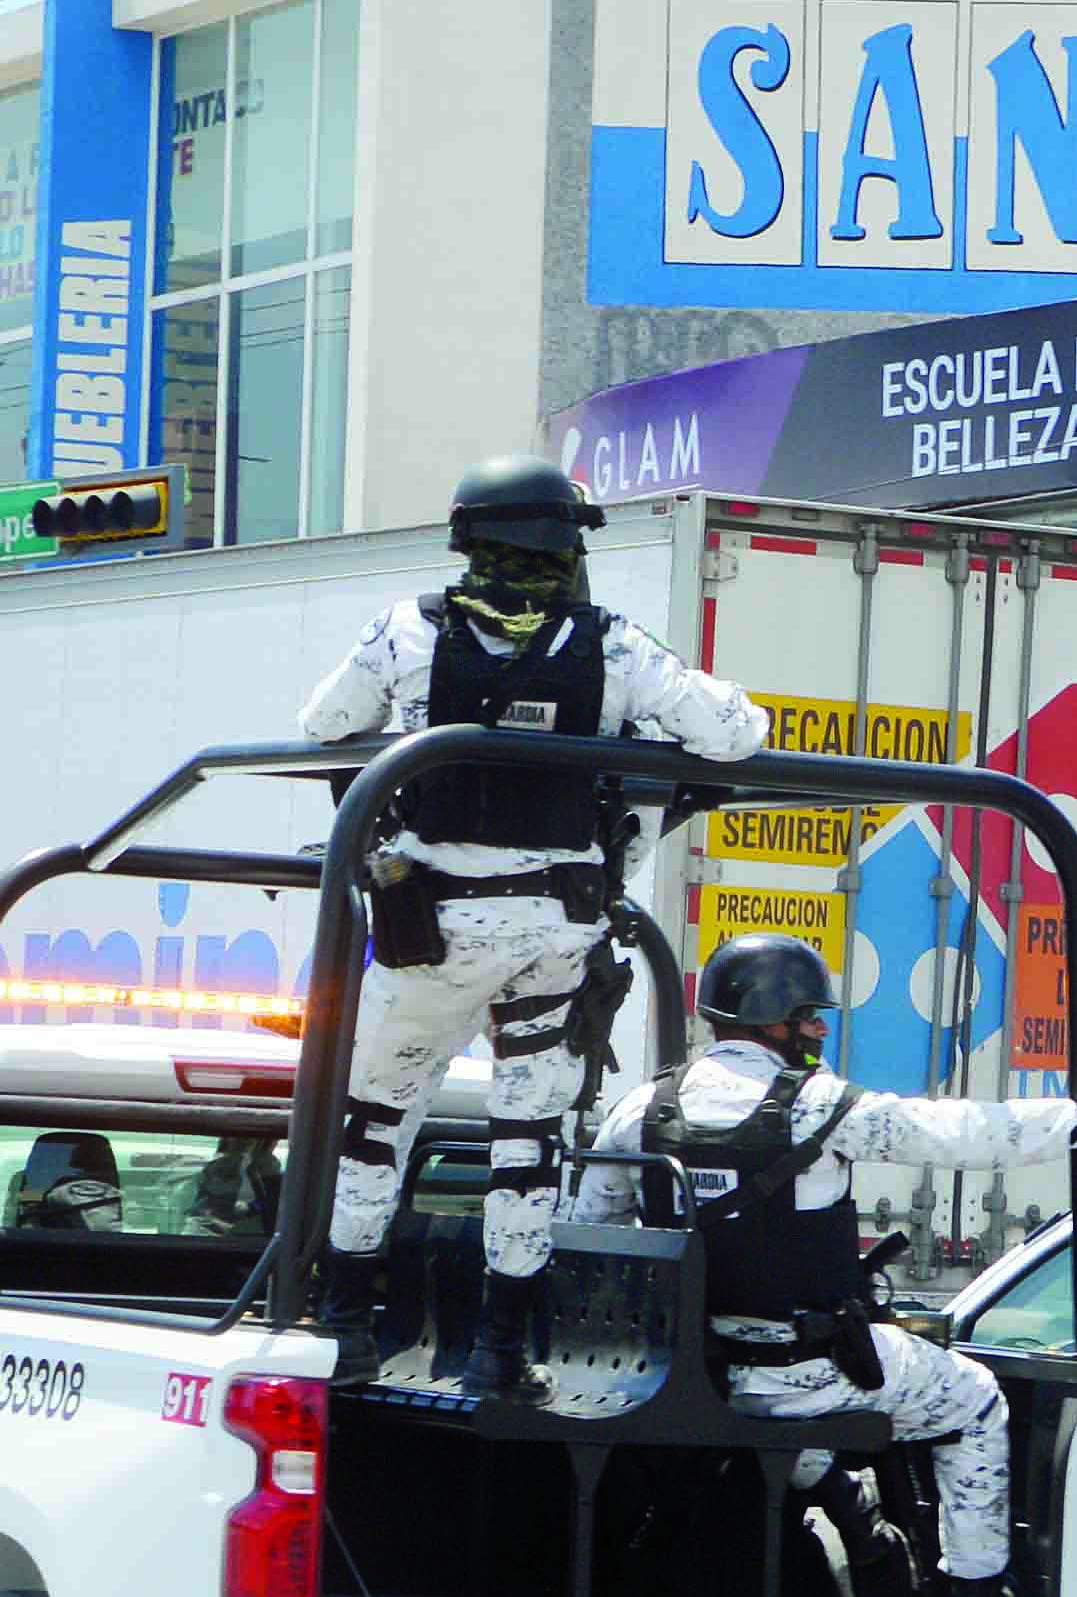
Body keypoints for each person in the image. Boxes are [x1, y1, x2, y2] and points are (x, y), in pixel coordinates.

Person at [294, 455, 772, 1395]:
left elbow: (322, 726)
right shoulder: (617, 647)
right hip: (558, 929)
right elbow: (736, 734)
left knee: (377, 1126)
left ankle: (346, 1330)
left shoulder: (404, 633)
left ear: (467, 539)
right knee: (528, 1143)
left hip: (429, 933)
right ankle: (503, 1353)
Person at [574, 934, 1077, 1597]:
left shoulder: (637, 1111)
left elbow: (591, 1233)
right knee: (973, 1400)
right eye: (809, 1015)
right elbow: (948, 1134)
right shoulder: (820, 1105)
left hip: (686, 1381)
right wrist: (1074, 1121)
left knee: (768, 1417)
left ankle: (845, 1497)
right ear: (769, 1015)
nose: (820, 1030)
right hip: (808, 1373)